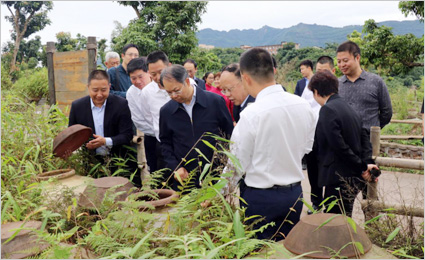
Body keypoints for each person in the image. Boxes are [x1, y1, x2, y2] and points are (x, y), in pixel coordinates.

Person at [230, 48, 316, 241]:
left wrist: (216, 194)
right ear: (274, 71)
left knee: (259, 250)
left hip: (260, 198)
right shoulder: (303, 106)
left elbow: (236, 165)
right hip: (294, 195)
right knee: (288, 247)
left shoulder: (251, 114)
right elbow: (306, 148)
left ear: (246, 78)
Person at [309, 70, 378, 217]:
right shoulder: (350, 109)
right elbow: (364, 139)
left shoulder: (327, 110)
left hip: (337, 177)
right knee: (345, 218)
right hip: (353, 178)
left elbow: (338, 145)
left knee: (335, 223)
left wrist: (362, 166)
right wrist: (365, 164)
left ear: (316, 92)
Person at [159, 65, 233, 190]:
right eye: (169, 92)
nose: (173, 96)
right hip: (185, 178)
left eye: (176, 90)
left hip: (215, 174)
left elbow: (229, 135)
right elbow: (165, 144)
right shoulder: (166, 111)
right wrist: (175, 168)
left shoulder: (214, 102)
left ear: (187, 81)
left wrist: (222, 164)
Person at [68, 70, 140, 186]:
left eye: (104, 90)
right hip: (92, 164)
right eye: (95, 90)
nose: (99, 94)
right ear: (88, 87)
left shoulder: (121, 104)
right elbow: (72, 134)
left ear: (109, 87)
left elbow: (127, 135)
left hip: (121, 161)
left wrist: (105, 141)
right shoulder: (78, 106)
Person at [337, 40, 393, 132]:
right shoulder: (336, 84)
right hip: (343, 140)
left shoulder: (376, 81)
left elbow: (387, 112)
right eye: (339, 61)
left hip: (369, 139)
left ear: (357, 58)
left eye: (345, 60)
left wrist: (374, 128)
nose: (342, 65)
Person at [305, 55, 337, 214]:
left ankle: (331, 205)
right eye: (318, 71)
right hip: (313, 134)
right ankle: (316, 202)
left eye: (324, 71)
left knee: (330, 170)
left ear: (333, 71)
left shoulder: (338, 87)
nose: (320, 75)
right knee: (313, 170)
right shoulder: (309, 87)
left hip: (330, 134)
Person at [139, 50, 172, 174]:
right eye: (153, 74)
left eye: (161, 72)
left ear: (169, 66)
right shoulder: (147, 92)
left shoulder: (186, 85)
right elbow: (148, 118)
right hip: (162, 145)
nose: (158, 77)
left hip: (184, 143)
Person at [126, 57, 152, 136]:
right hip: (151, 135)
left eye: (140, 77)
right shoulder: (131, 93)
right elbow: (138, 121)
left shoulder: (160, 86)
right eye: (133, 78)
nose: (137, 81)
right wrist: (158, 132)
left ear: (149, 73)